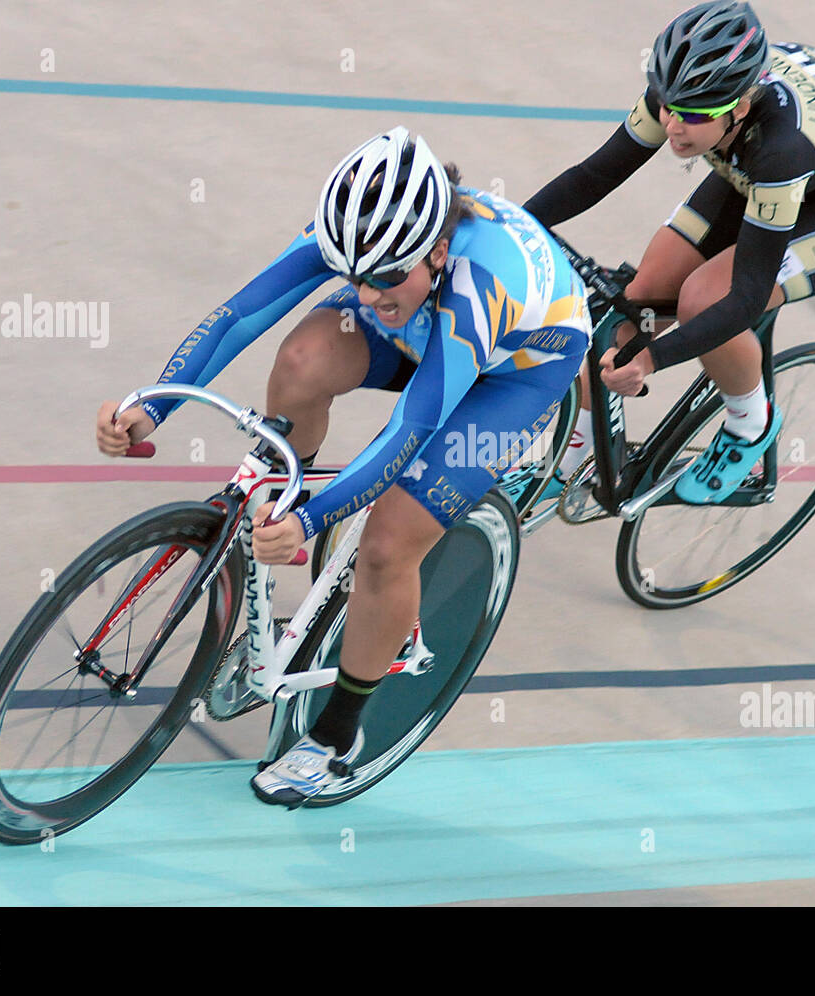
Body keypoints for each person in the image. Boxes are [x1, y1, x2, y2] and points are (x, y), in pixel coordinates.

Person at [95, 127, 590, 807]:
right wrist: (150, 407)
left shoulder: (479, 287)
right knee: (303, 361)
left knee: (390, 539)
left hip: (515, 371)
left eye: (383, 277)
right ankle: (271, 517)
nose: (361, 292)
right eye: (349, 274)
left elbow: (411, 429)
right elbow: (240, 316)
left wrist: (312, 518)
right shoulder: (366, 243)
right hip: (418, 321)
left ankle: (336, 736)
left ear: (438, 251)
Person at [525, 1, 815, 503]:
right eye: (667, 106)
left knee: (705, 301)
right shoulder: (688, 97)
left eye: (691, 115)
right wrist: (515, 224)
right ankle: (572, 456)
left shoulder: (782, 148)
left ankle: (749, 425)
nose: (672, 125)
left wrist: (651, 360)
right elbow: (594, 175)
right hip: (760, 159)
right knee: (643, 296)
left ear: (739, 105)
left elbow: (745, 295)